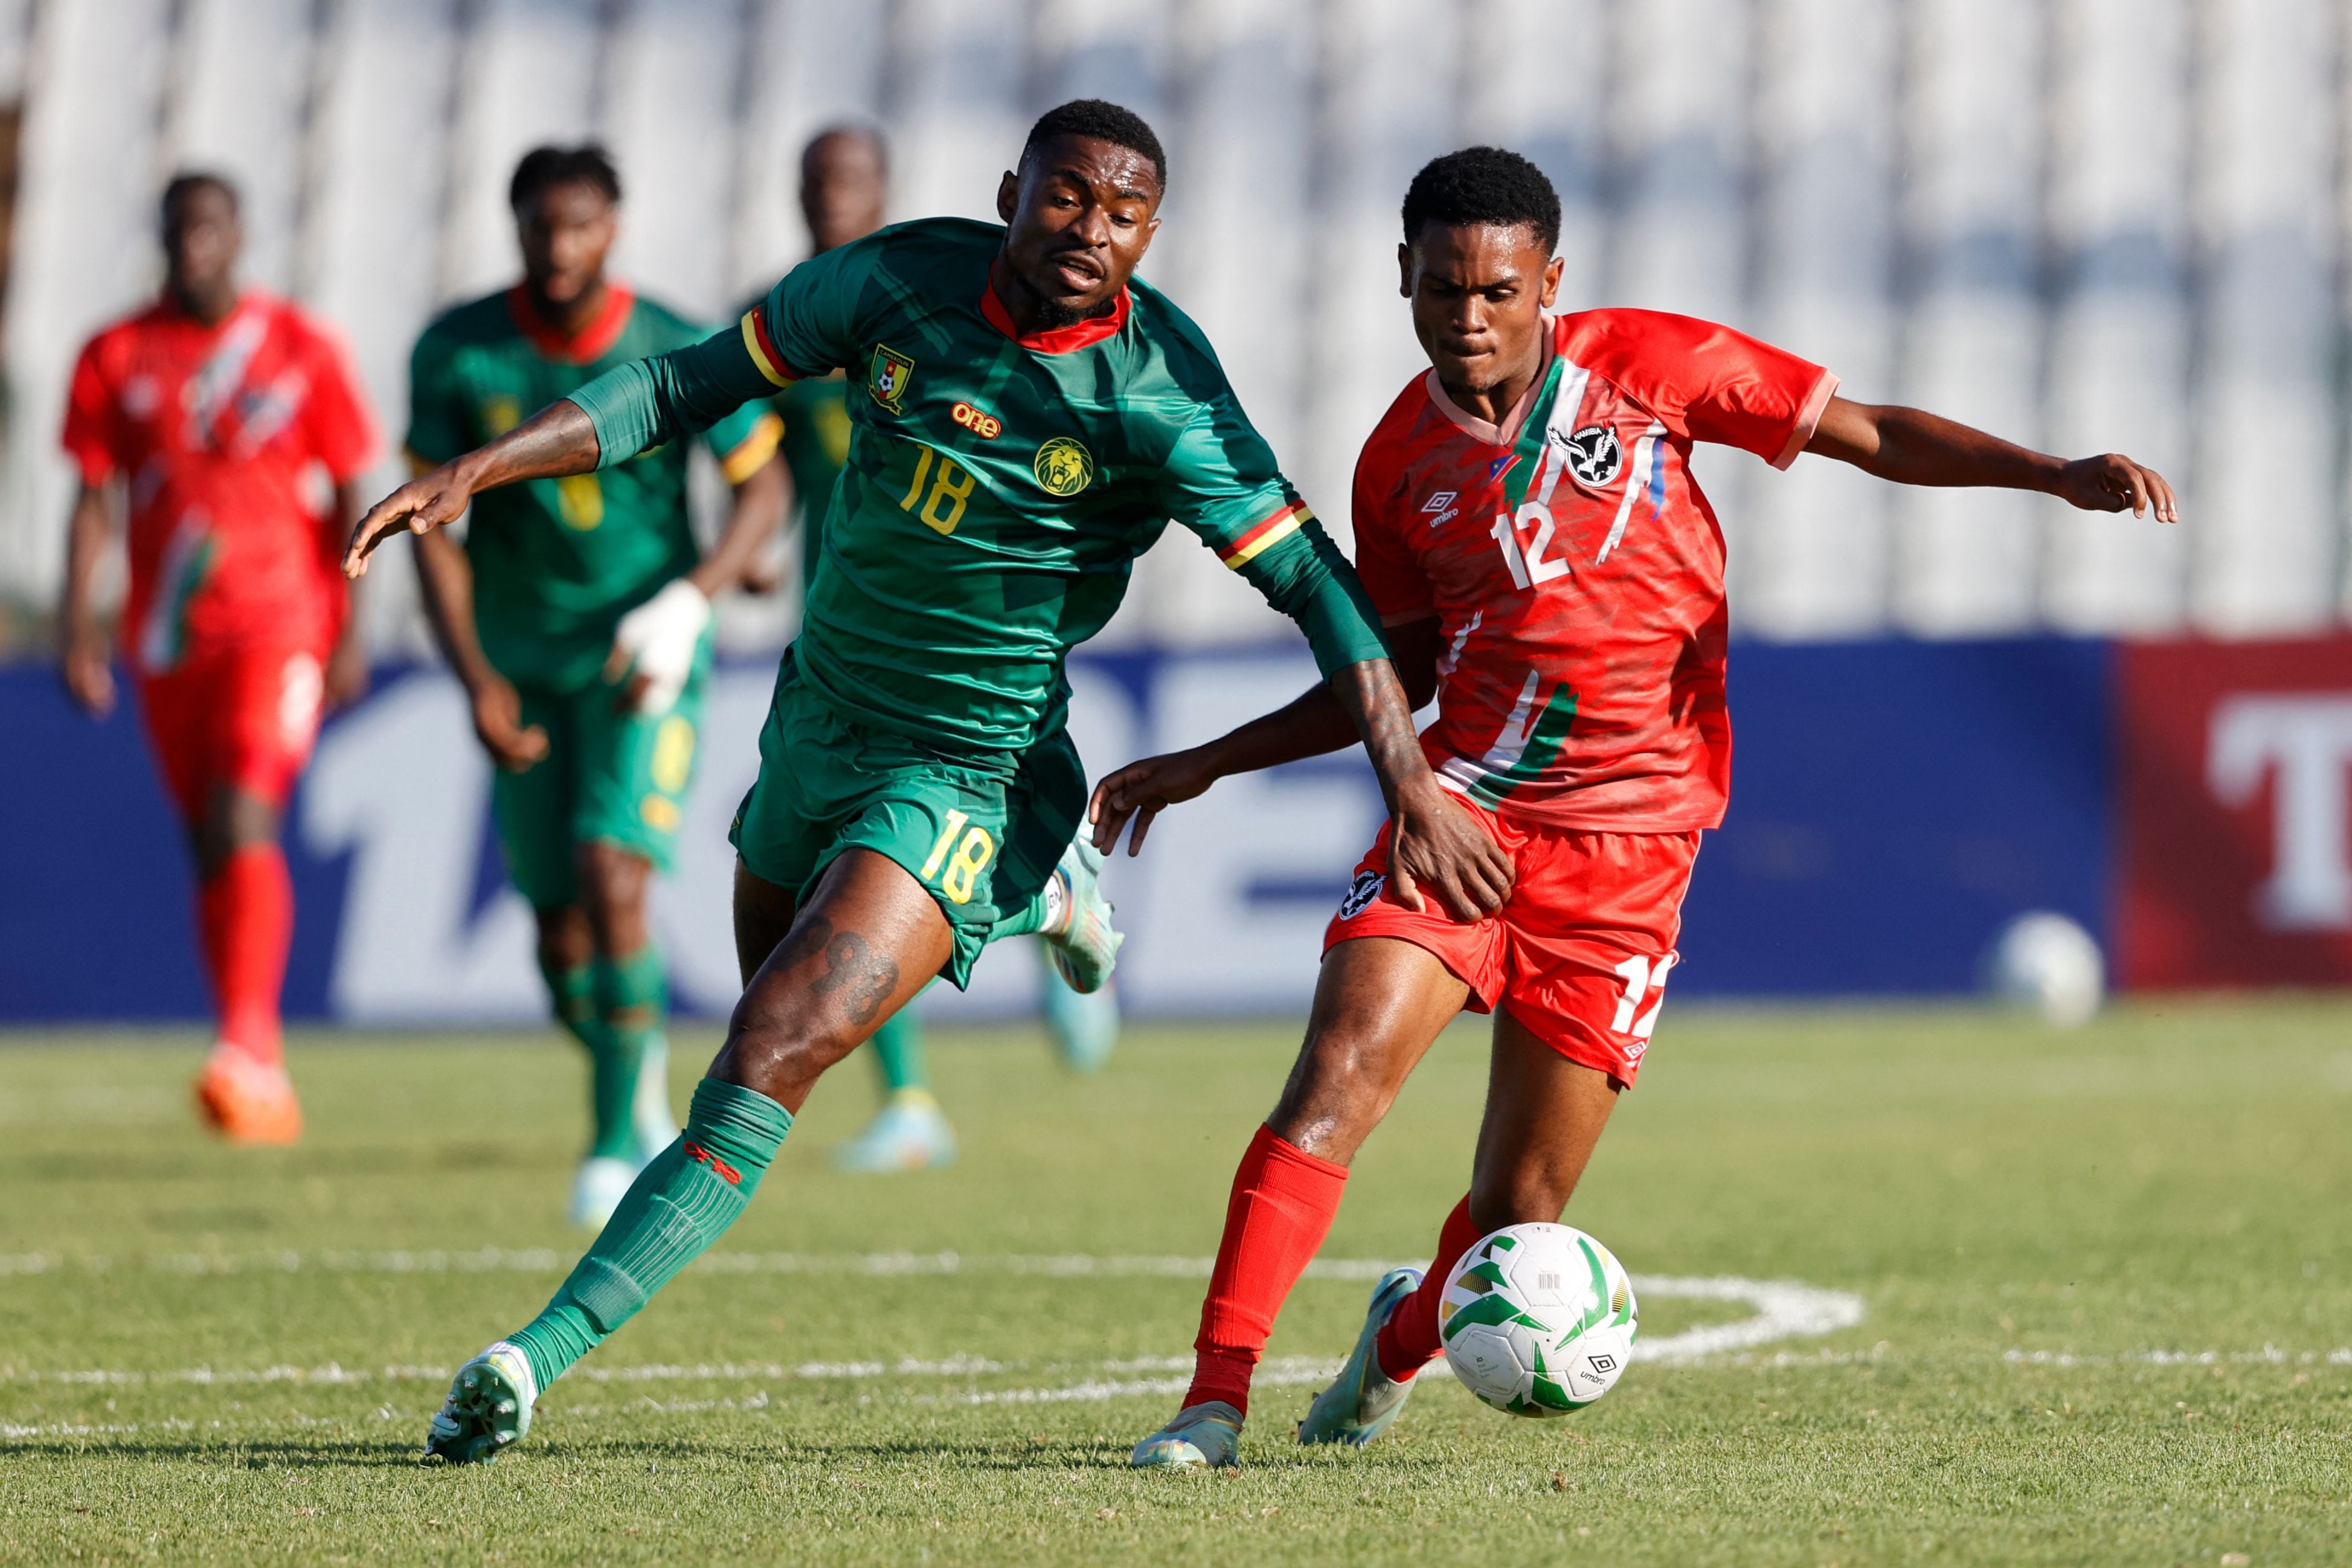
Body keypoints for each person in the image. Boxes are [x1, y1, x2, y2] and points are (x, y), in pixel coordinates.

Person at [347, 98, 1508, 1465]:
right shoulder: (896, 281)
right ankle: (1042, 898)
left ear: (1151, 234)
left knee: (771, 1043)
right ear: (1013, 189)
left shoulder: (1157, 389)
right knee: (762, 998)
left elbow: (1319, 586)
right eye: (1067, 197)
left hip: (970, 765)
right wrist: (485, 465)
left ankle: (526, 1361)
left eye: (1124, 215)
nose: (1089, 232)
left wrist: (1408, 782)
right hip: (817, 724)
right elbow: (685, 385)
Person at [1100, 146, 2179, 1468]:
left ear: (1552, 280)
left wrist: (2049, 472)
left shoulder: (1654, 367)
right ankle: (1213, 1396)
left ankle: (1392, 1348)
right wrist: (1215, 756)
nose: (1470, 315)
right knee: (1334, 1078)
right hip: (1466, 819)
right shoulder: (1397, 460)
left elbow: (1870, 432)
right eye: (1443, 287)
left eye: (1499, 287)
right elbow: (1400, 668)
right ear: (1403, 279)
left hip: (1633, 853)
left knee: (1521, 1209)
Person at [403, 145, 788, 1228]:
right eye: (540, 227)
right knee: (558, 933)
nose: (559, 248)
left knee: (614, 873)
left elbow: (765, 491)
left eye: (579, 226)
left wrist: (692, 600)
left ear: (611, 227)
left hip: (643, 655)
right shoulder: (459, 355)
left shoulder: (674, 344)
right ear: (515, 226)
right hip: (522, 664)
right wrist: (472, 675)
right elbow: (439, 530)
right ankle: (634, 1057)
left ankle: (616, 1138)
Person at [769, 124, 1122, 1178]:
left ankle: (1038, 911)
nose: (832, 200)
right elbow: (754, 458)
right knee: (834, 896)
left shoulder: (946, 302)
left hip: (965, 660)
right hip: (839, 640)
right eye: (816, 182)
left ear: (883, 188)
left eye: (851, 183)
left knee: (870, 881)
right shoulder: (803, 305)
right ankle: (929, 1070)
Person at [59, 172, 379, 1145]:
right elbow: (94, 496)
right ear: (160, 237)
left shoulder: (301, 349)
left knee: (247, 806)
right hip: (166, 637)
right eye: (177, 227)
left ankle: (242, 1043)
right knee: (210, 838)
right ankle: (259, 1059)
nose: (192, 242)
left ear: (239, 235)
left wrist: (352, 625)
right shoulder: (115, 354)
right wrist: (79, 623)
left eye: (209, 226)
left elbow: (349, 484)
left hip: (282, 622)